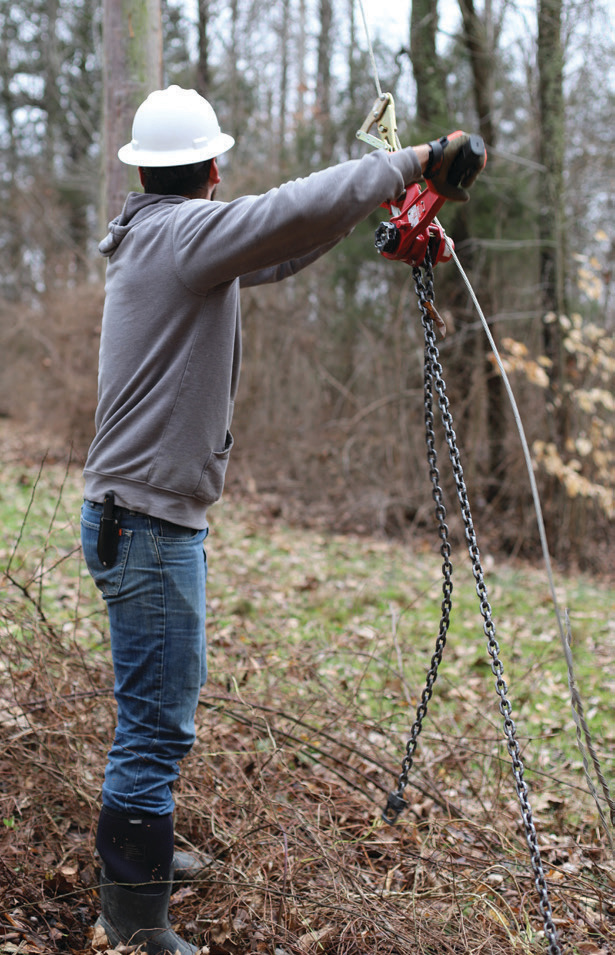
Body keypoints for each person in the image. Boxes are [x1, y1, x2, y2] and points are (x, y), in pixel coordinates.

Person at [81, 85, 484, 954]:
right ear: (213, 168)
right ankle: (134, 916)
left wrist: (376, 210)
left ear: (146, 169)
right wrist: (409, 163)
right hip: (146, 523)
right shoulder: (183, 237)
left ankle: (138, 861)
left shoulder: (170, 239)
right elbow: (283, 209)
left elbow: (281, 242)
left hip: (143, 516)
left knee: (157, 708)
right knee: (156, 722)